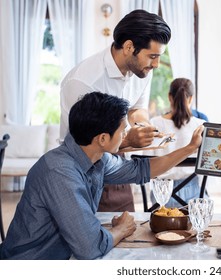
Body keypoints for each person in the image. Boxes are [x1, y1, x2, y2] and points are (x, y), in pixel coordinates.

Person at [0, 92, 203, 260]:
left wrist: (190, 148)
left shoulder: (97, 157)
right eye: (123, 131)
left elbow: (142, 170)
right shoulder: (59, 172)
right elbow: (89, 248)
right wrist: (121, 230)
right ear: (103, 138)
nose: (126, 135)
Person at [59, 9, 171, 212]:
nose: (156, 64)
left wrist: (143, 128)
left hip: (119, 166)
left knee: (129, 233)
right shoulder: (84, 81)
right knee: (93, 239)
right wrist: (129, 140)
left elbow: (137, 109)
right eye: (152, 56)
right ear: (129, 47)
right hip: (83, 171)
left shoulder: (142, 71)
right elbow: (84, 146)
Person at [144, 78, 206, 207]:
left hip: (161, 195)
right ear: (191, 98)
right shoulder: (201, 126)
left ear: (169, 97)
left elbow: (146, 163)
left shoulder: (155, 123)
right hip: (192, 194)